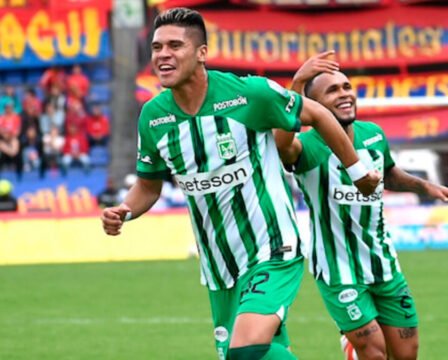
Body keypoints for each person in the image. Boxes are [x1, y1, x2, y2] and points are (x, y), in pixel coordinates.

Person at [101, 8, 380, 360]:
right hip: (219, 266)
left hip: (271, 249)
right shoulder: (154, 117)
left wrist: (357, 173)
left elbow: (319, 114)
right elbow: (148, 186)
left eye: (175, 45)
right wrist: (125, 211)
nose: (163, 55)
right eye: (157, 48)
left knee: (244, 352)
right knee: (262, 354)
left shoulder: (249, 94)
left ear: (201, 53)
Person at [275, 53, 448, 360]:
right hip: (339, 271)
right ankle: (354, 344)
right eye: (332, 90)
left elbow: (389, 174)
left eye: (347, 86)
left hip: (384, 263)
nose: (345, 93)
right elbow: (282, 143)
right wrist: (297, 83)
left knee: (406, 354)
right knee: (374, 354)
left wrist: (425, 186)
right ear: (314, 105)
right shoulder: (306, 148)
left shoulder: (373, 135)